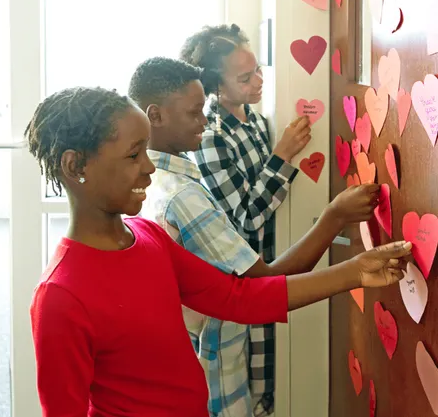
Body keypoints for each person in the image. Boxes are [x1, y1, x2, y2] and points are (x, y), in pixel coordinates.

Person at [26, 86, 410, 417]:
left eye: (145, 151)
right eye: (132, 156)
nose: (147, 167)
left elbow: (238, 298)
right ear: (75, 165)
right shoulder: (61, 296)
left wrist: (355, 272)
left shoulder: (148, 237)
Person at [129, 57, 380, 417]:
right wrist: (334, 218)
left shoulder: (152, 184)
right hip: (214, 381)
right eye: (194, 112)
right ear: (156, 115)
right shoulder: (182, 197)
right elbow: (264, 283)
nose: (204, 120)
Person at [179, 24, 311, 415]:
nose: (259, 79)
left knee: (269, 377)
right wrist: (282, 155)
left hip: (271, 264)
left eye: (257, 69)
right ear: (216, 87)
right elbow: (247, 219)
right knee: (249, 388)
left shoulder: (254, 119)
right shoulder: (211, 136)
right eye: (245, 77)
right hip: (244, 274)